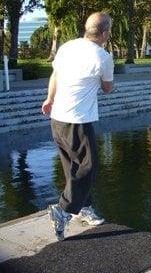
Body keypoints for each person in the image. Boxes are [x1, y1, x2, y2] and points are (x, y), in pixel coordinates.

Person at [41, 12, 114, 241]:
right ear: (104, 33)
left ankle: (83, 207)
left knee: (73, 168)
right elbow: (107, 88)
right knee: (89, 166)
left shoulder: (67, 47)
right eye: (109, 30)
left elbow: (55, 75)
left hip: (58, 118)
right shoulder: (103, 57)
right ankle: (63, 210)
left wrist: (49, 99)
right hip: (77, 120)